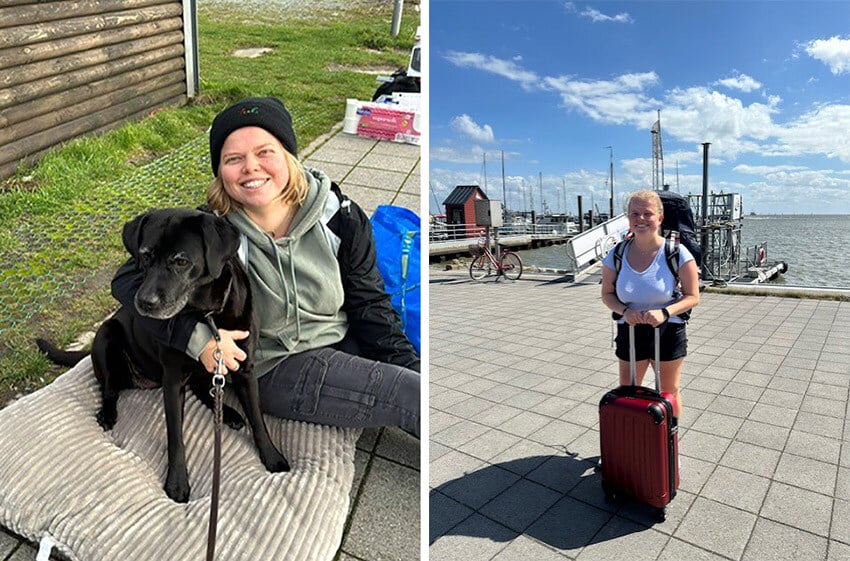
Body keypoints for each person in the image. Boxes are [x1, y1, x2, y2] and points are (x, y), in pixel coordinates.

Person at [112, 96, 420, 437]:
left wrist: (410, 365)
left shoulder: (339, 217)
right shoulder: (212, 233)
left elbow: (369, 303)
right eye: (233, 158)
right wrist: (196, 339)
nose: (250, 167)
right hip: (273, 366)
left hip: (340, 342)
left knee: (415, 383)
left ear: (288, 157)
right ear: (220, 172)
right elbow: (128, 281)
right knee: (410, 393)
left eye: (265, 152)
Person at [600, 189, 699, 418]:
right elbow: (607, 294)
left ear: (660, 218)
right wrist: (625, 311)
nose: (641, 219)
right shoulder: (616, 254)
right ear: (628, 218)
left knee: (668, 391)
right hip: (631, 329)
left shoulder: (677, 253)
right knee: (628, 391)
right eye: (635, 214)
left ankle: (669, 448)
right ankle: (633, 443)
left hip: (668, 330)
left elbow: (693, 296)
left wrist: (665, 312)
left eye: (647, 213)